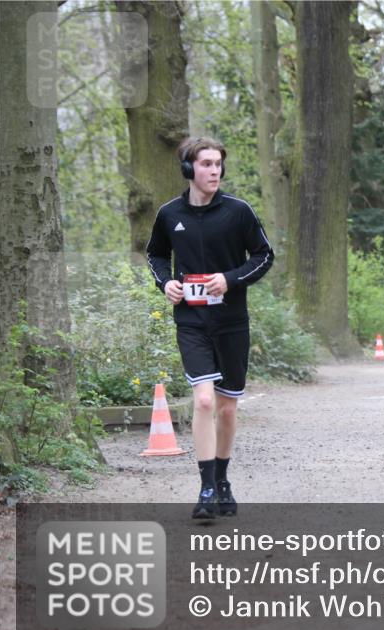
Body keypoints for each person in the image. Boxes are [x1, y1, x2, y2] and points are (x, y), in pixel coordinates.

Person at [147, 137, 274, 520]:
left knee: (227, 408)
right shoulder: (169, 214)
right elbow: (155, 253)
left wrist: (230, 279)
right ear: (189, 169)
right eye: (205, 164)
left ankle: (222, 479)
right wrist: (166, 282)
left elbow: (264, 255)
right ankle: (204, 488)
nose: (214, 170)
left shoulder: (238, 211)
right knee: (203, 400)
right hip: (191, 321)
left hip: (232, 321)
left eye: (218, 163)